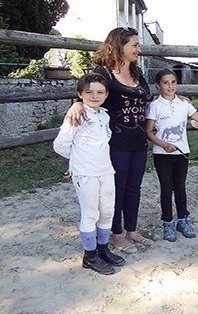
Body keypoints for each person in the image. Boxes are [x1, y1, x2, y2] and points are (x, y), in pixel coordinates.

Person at [65, 27, 154, 254]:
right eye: (134, 45)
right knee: (118, 190)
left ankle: (132, 229)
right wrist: (76, 105)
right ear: (118, 46)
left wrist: (174, 97)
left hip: (138, 140)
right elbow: (86, 93)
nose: (138, 49)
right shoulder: (103, 73)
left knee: (134, 188)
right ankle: (116, 234)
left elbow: (148, 99)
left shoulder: (137, 73)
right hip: (114, 143)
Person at [146, 69, 198, 242]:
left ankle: (183, 220)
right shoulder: (154, 106)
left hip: (182, 152)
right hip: (162, 154)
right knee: (166, 188)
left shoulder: (184, 104)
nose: (170, 86)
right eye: (165, 82)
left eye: (173, 82)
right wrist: (163, 145)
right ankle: (167, 222)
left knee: (180, 187)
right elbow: (148, 132)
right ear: (158, 85)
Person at [54, 73, 125, 275]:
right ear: (80, 94)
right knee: (90, 213)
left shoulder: (104, 114)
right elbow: (60, 145)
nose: (95, 96)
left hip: (105, 170)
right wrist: (76, 163)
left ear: (106, 94)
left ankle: (103, 249)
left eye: (100, 92)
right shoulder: (76, 115)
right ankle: (90, 255)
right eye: (89, 92)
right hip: (86, 174)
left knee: (107, 211)